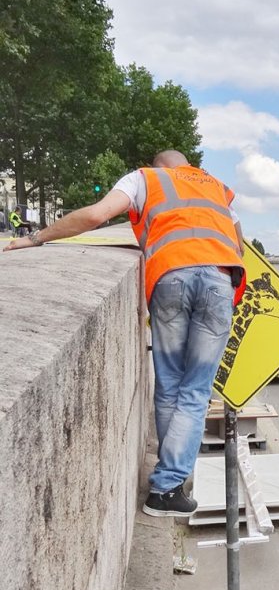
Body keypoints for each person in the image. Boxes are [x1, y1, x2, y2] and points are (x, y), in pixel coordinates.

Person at [4, 150, 245, 518]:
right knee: (195, 390)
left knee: (169, 383)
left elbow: (96, 215)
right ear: (187, 166)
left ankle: (166, 487)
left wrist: (36, 239)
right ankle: (168, 487)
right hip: (218, 282)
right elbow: (239, 247)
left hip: (170, 277)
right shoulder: (218, 189)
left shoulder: (145, 179)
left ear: (159, 165)